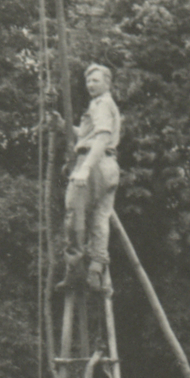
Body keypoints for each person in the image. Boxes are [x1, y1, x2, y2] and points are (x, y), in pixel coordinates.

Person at [63, 64, 121, 294]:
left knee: (74, 212)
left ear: (107, 83)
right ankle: (96, 269)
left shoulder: (101, 104)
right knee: (100, 218)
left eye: (95, 80)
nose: (90, 85)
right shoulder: (104, 104)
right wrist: (64, 126)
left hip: (94, 161)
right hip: (109, 165)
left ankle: (74, 270)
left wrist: (85, 168)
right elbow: (89, 134)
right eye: (88, 81)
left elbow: (102, 138)